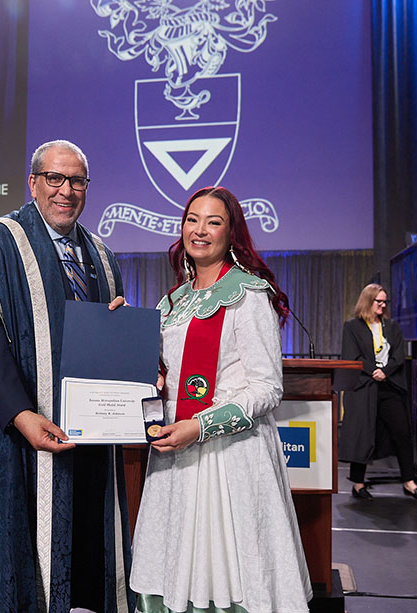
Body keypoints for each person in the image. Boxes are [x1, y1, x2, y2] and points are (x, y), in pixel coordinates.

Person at [0, 140, 131, 611]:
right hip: (17, 432)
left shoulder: (103, 256)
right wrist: (22, 415)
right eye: (55, 178)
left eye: (76, 181)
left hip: (88, 431)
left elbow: (101, 342)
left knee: (86, 539)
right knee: (19, 546)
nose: (65, 191)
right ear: (33, 182)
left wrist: (122, 334)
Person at [129, 186, 312, 612]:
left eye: (214, 222)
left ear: (232, 234)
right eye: (193, 219)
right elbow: (164, 373)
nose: (200, 230)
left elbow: (267, 387)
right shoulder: (172, 301)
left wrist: (201, 426)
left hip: (228, 461)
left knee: (231, 573)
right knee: (172, 568)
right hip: (174, 457)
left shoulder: (248, 294)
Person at [338, 284, 417, 502]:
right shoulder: (352, 327)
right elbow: (353, 356)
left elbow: (398, 356)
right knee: (364, 433)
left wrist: (384, 372)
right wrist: (373, 371)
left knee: (402, 431)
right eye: (378, 301)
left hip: (389, 385)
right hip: (364, 386)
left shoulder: (392, 327)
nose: (382, 305)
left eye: (384, 302)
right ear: (368, 301)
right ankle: (358, 484)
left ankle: (409, 482)